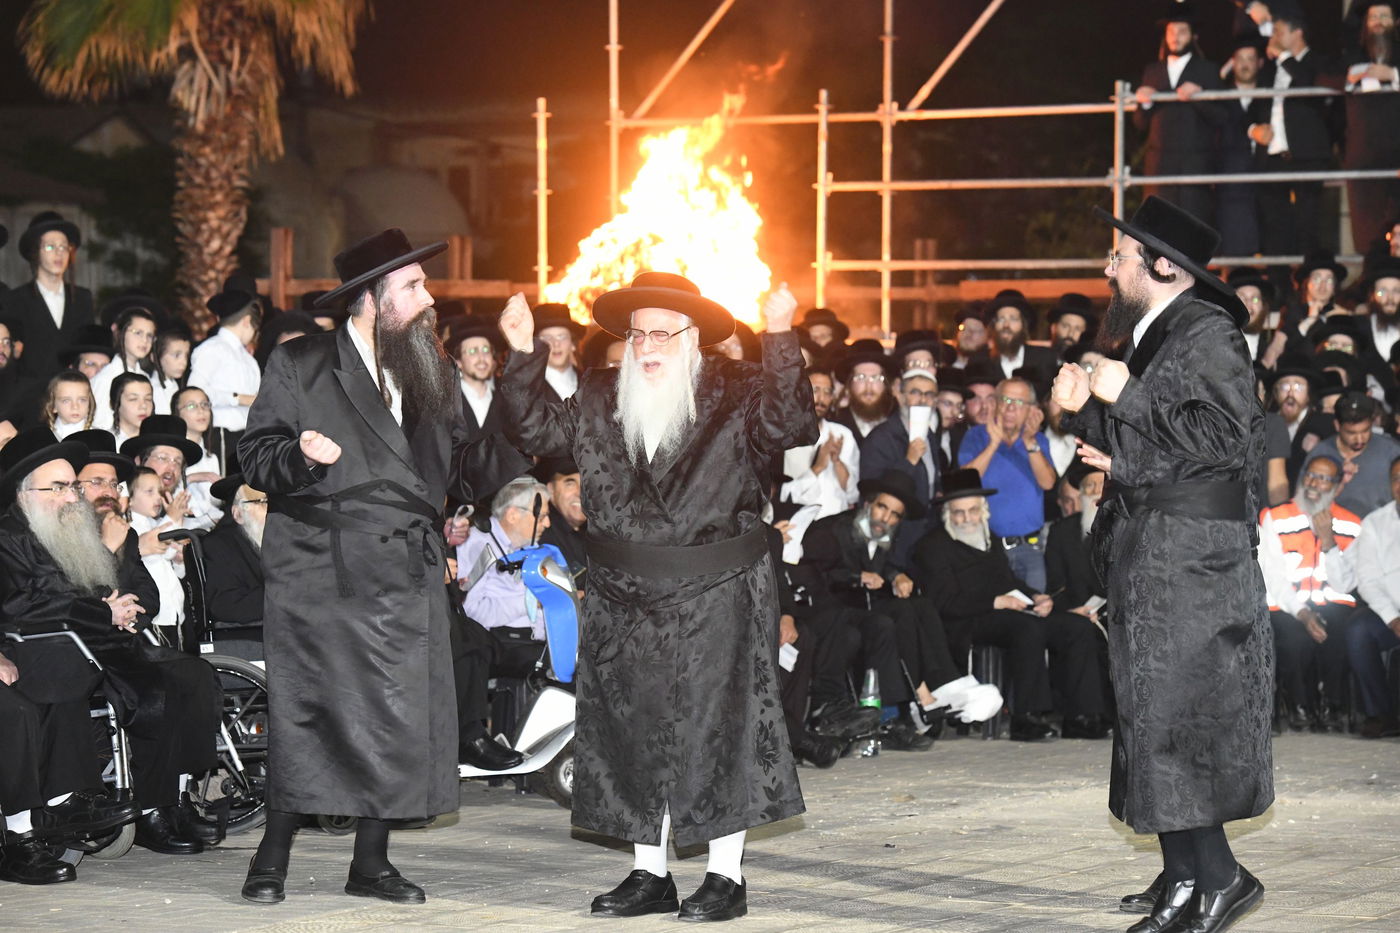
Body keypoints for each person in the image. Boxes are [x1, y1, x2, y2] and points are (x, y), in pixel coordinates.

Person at [498, 272, 815, 922]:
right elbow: (532, 428)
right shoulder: (596, 395)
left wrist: (782, 337)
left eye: (662, 333)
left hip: (716, 592)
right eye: (637, 332)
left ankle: (726, 878)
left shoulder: (737, 392)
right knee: (632, 734)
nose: (646, 345)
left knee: (717, 732)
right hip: (621, 597)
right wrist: (521, 353)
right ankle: (651, 873)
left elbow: (790, 423)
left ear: (692, 339)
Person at [235, 228, 527, 906]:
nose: (429, 300)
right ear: (369, 300)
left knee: (395, 715)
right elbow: (255, 456)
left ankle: (370, 861)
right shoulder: (301, 363)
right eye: (413, 288)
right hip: (321, 569)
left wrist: (518, 368)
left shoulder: (429, 369)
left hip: (404, 570)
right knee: (312, 710)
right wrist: (302, 456)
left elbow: (476, 466)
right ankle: (271, 853)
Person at [1055, 195, 1271, 933]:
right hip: (1154, 553)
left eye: (1119, 254)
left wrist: (1126, 393)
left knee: (1182, 719)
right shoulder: (1156, 336)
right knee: (1153, 718)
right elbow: (1147, 448)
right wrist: (1081, 407)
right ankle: (1184, 874)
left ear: (1164, 266)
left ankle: (1220, 879)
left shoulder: (1208, 333)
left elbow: (1221, 438)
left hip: (1193, 561)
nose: (1107, 265)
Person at [0, 427, 220, 859]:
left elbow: (106, 595)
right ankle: (63, 804)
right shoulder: (12, 536)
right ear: (26, 493)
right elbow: (34, 602)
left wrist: (113, 600)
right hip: (44, 645)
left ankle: (165, 800)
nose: (72, 497)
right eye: (61, 487)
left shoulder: (63, 529)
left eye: (71, 487)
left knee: (190, 675)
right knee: (85, 670)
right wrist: (107, 609)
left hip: (97, 640)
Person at [911, 469, 1109, 743]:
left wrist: (1036, 597)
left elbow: (1008, 580)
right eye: (959, 512)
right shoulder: (932, 545)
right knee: (1027, 628)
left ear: (983, 511)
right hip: (966, 622)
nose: (967, 519)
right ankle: (1026, 717)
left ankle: (1082, 716)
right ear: (947, 513)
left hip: (1007, 613)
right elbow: (942, 601)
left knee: (1075, 626)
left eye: (972, 511)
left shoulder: (987, 537)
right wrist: (996, 601)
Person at [1257, 455, 1360, 733]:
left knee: (1340, 631)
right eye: (1311, 475)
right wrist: (1303, 613)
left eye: (1325, 479)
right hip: (1287, 604)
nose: (1315, 483)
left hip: (1333, 602)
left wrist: (1328, 542)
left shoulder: (1351, 523)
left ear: (1337, 487)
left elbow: (1345, 584)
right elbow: (1273, 577)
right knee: (1294, 637)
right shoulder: (1274, 517)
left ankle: (1332, 707)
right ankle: (1300, 706)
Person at [1249, 6, 1335, 263]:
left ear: (1297, 33)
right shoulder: (1269, 68)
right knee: (1275, 230)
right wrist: (1253, 128)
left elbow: (1313, 88)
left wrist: (1286, 58)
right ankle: (1279, 291)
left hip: (1307, 156)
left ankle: (1310, 284)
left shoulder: (1319, 61)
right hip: (1271, 159)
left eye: (1278, 31)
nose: (1272, 36)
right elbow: (1252, 106)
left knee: (1308, 227)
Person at [957, 376, 1057, 591]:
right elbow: (964, 483)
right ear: (995, 404)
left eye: (1019, 402)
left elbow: (1048, 483)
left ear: (1032, 410)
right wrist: (993, 444)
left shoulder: (1038, 440)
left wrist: (1030, 443)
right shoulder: (975, 437)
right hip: (986, 549)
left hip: (1030, 548)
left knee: (1035, 614)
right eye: (1005, 400)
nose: (1011, 408)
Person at [1133, 4, 1226, 223]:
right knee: (1157, 229)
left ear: (1194, 35)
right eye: (1171, 32)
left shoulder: (1208, 70)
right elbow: (1139, 124)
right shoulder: (1152, 71)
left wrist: (1200, 98)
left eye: (1182, 31)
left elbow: (1222, 117)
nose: (1176, 37)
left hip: (1194, 166)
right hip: (1159, 167)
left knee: (1190, 229)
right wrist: (1145, 103)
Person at [0, 212, 95, 382]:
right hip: (30, 399)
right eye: (50, 247)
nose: (58, 253)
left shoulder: (83, 298)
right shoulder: (14, 300)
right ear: (35, 253)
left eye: (63, 247)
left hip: (72, 399)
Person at [1339, 3, 1400, 254]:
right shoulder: (1352, 57)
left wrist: (1392, 74)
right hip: (1363, 159)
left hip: (1397, 157)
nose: (1378, 21)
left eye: (1384, 16)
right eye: (1373, 16)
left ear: (1395, 23)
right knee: (1367, 234)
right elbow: (1321, 73)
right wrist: (1357, 74)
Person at [1346, 455, 1400, 738]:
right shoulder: (1376, 523)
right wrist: (1393, 619)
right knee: (1358, 628)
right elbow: (1367, 580)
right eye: (1396, 478)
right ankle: (1380, 713)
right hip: (1390, 615)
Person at [780, 366, 860, 519]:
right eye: (815, 390)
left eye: (827, 392)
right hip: (794, 525)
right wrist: (818, 467)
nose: (821, 398)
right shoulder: (782, 437)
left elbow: (852, 495)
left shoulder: (842, 434)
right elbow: (782, 496)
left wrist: (837, 462)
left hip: (835, 526)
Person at [1304, 392, 1400, 517]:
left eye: (1365, 431)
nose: (1360, 439)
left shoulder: (1391, 452)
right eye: (1351, 433)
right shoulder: (1319, 455)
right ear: (1337, 426)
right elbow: (1305, 502)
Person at [188, 286, 262, 436]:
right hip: (219, 433)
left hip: (247, 434)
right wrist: (238, 398)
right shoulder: (212, 348)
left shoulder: (247, 358)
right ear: (247, 321)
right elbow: (194, 391)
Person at [986, 290, 1058, 397]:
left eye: (1013, 319)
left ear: (1023, 325)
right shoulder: (981, 361)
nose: (1006, 325)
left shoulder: (1044, 359)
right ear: (994, 325)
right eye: (1001, 319)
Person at [535, 456, 587, 592]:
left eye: (587, 484)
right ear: (551, 490)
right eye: (570, 483)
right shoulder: (540, 537)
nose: (581, 493)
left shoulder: (602, 533)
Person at [531, 303, 585, 402]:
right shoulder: (527, 389)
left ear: (572, 344)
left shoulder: (590, 384)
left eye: (562, 337)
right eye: (547, 338)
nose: (556, 344)